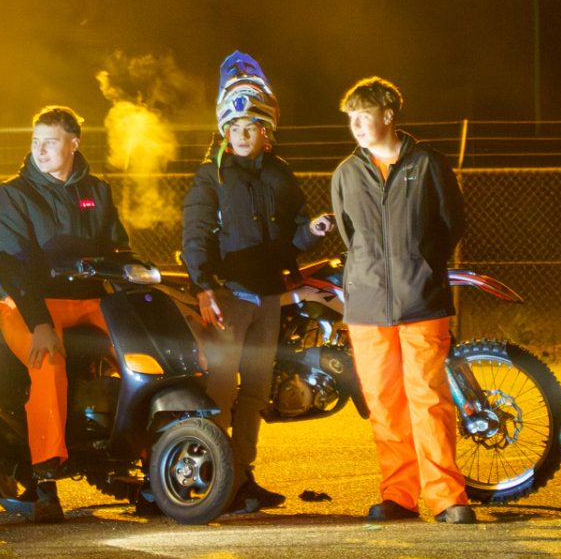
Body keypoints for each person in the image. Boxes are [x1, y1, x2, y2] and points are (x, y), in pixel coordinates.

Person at [182, 52, 334, 514]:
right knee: (220, 392)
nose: (243, 135)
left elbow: (292, 235)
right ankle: (213, 480)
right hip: (229, 296)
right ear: (224, 131)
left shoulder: (279, 173)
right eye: (235, 127)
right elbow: (194, 236)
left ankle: (242, 478)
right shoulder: (211, 176)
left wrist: (313, 231)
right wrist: (205, 287)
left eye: (251, 127)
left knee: (254, 393)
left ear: (266, 131)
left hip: (269, 297)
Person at [329, 76, 475, 525]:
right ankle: (398, 496)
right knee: (384, 405)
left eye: (364, 115)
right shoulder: (345, 173)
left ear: (388, 115)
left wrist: (421, 263)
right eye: (351, 118)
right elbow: (349, 234)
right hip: (367, 306)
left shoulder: (428, 164)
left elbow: (452, 223)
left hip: (421, 301)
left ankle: (447, 498)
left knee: (429, 399)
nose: (356, 125)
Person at [0, 105, 129, 523]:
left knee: (143, 350)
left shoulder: (97, 191)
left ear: (74, 144)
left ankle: (140, 457)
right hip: (29, 303)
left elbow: (118, 249)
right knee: (47, 360)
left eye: (50, 142)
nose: (40, 150)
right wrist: (40, 324)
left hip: (89, 300)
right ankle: (46, 473)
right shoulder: (14, 193)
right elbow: (12, 266)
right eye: (36, 141)